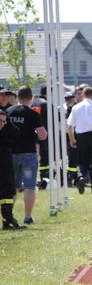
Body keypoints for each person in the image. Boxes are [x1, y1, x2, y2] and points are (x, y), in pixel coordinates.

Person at [8, 86, 48, 225]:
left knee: (11, 187)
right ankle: (27, 217)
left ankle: (8, 215)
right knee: (29, 186)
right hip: (29, 155)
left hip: (10, 154)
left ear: (17, 96)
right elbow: (43, 135)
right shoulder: (33, 114)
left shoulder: (8, 112)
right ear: (31, 98)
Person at [0, 109, 25, 230]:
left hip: (5, 165)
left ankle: (8, 220)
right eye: (0, 121)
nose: (2, 123)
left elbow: (16, 132)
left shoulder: (6, 130)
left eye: (3, 121)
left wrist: (7, 122)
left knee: (7, 192)